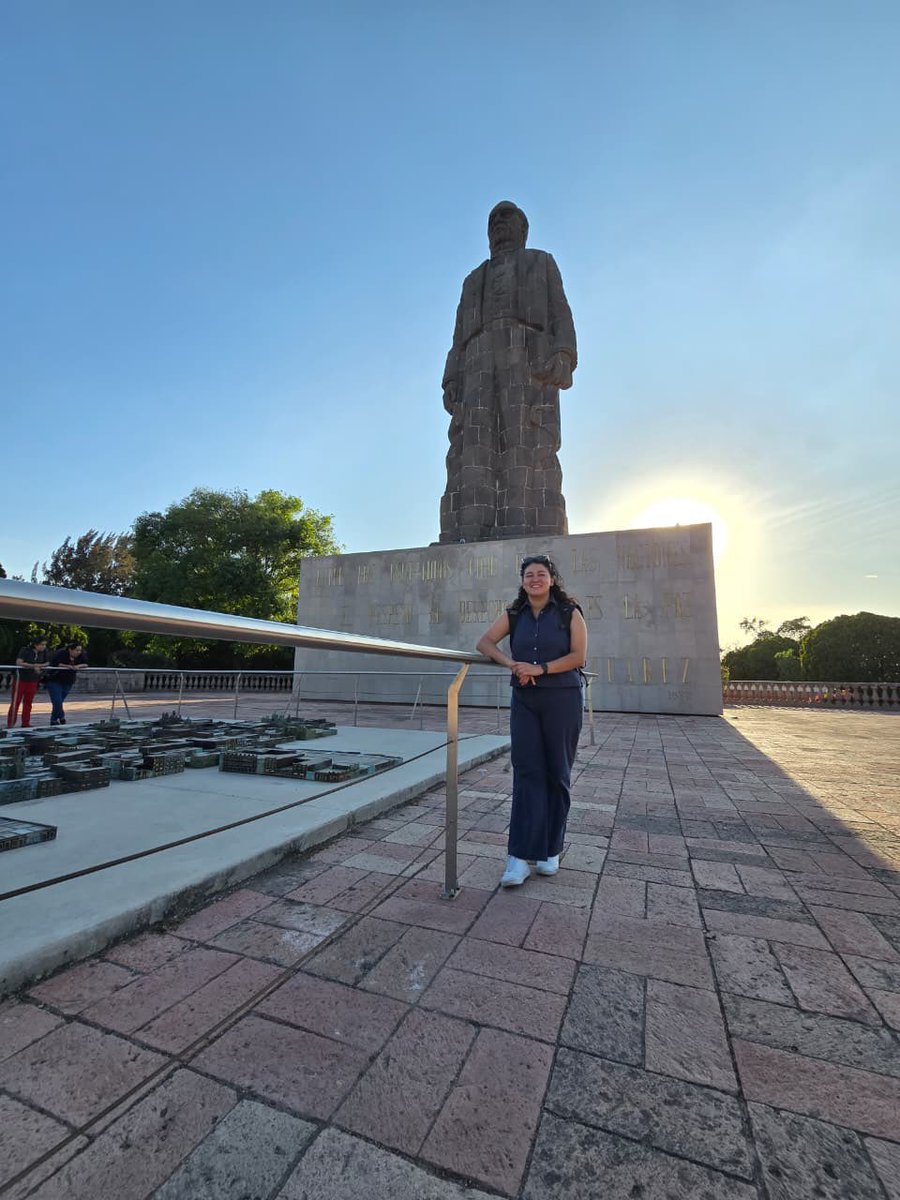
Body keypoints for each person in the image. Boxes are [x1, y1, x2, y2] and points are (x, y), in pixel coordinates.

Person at [439, 201, 577, 544]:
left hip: (527, 352)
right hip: (477, 358)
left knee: (524, 437)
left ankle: (526, 523)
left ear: (523, 229)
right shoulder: (473, 279)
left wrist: (564, 352)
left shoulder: (540, 261)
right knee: (473, 445)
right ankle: (470, 529)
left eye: (506, 217)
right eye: (493, 220)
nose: (498, 223)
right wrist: (452, 377)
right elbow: (457, 333)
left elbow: (561, 310)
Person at [476, 554, 587, 886]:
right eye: (529, 575)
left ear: (552, 579)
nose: (535, 579)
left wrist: (540, 668)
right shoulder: (514, 614)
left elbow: (579, 657)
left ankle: (550, 850)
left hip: (563, 698)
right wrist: (512, 664)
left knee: (558, 773)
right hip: (525, 699)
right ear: (522, 581)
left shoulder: (569, 613)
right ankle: (519, 856)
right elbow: (483, 643)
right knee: (527, 773)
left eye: (541, 574)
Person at [7, 636, 49, 728]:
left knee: (28, 702)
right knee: (16, 701)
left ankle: (25, 723)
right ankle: (11, 723)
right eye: (42, 644)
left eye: (45, 645)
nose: (43, 647)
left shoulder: (44, 652)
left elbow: (47, 663)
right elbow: (19, 662)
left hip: (33, 680)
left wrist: (40, 666)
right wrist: (33, 666)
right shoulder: (25, 650)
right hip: (20, 679)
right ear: (35, 644)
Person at [45, 641, 89, 725]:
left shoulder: (81, 656)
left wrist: (78, 666)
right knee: (57, 700)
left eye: (79, 650)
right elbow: (55, 663)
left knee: (60, 700)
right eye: (76, 650)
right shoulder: (61, 653)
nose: (78, 652)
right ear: (70, 650)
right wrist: (67, 666)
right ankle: (59, 717)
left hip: (68, 681)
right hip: (55, 679)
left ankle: (56, 718)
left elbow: (86, 664)